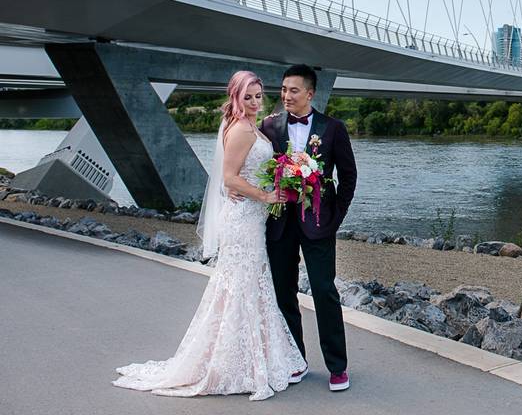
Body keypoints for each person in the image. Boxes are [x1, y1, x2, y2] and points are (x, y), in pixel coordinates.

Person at [113, 71, 306, 401]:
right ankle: (235, 363)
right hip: (243, 220)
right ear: (235, 97)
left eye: (259, 96)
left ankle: (249, 357)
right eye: (248, 97)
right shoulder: (242, 131)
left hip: (251, 220)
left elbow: (244, 173)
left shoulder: (250, 126)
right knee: (243, 285)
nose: (255, 102)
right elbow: (230, 179)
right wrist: (266, 196)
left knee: (250, 285)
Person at [260, 64, 357, 392]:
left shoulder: (333, 128)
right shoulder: (269, 126)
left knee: (324, 291)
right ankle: (294, 360)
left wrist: (335, 216)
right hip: (280, 223)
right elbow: (258, 168)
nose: (286, 96)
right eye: (284, 90)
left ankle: (338, 367)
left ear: (310, 94)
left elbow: (348, 176)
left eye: (294, 90)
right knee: (282, 291)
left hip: (319, 224)